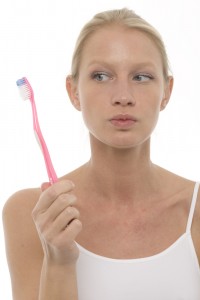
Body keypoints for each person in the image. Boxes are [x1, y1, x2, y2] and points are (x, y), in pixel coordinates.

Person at [2, 7, 200, 300]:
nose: (123, 96)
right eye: (101, 76)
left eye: (142, 77)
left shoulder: (195, 213)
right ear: (74, 91)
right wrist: (59, 262)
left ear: (167, 92)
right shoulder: (31, 214)